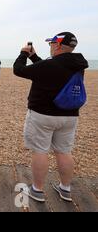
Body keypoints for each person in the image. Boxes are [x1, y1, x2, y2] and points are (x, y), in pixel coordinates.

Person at [13, 32, 88, 203]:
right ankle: (65, 188)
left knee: (40, 150)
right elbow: (50, 69)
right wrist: (35, 57)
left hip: (43, 115)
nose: (51, 46)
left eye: (52, 44)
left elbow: (19, 70)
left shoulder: (50, 65)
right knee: (64, 151)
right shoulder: (78, 65)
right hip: (69, 116)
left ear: (58, 45)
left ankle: (37, 190)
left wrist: (24, 54)